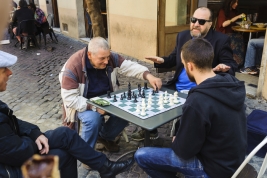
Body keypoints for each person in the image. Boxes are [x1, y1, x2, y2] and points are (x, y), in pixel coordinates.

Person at [0, 50, 134, 178]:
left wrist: (34, 132)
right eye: (4, 70)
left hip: (14, 152)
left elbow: (12, 121)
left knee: (65, 134)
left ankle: (106, 167)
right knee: (64, 156)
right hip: (11, 172)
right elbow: (19, 153)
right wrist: (36, 142)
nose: (10, 72)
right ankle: (106, 167)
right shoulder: (75, 65)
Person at [134, 38, 247, 178]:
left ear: (190, 66)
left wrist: (177, 141)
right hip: (234, 162)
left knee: (141, 155)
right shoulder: (230, 84)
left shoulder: (198, 100)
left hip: (213, 170)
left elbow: (184, 151)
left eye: (183, 64)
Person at [132, 7, 238, 141]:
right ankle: (151, 131)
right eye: (193, 20)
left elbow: (232, 65)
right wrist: (162, 60)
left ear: (210, 24)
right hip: (177, 86)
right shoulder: (183, 36)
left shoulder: (220, 40)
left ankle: (180, 142)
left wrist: (224, 68)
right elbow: (174, 57)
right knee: (149, 96)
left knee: (189, 111)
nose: (196, 24)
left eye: (201, 21)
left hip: (200, 89)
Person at [59, 37, 162, 153]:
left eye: (108, 57)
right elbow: (70, 99)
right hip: (83, 103)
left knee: (127, 112)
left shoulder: (110, 58)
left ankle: (104, 137)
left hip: (107, 99)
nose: (107, 61)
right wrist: (94, 107)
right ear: (89, 55)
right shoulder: (72, 67)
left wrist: (148, 76)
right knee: (93, 119)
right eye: (102, 58)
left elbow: (129, 66)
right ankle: (86, 154)